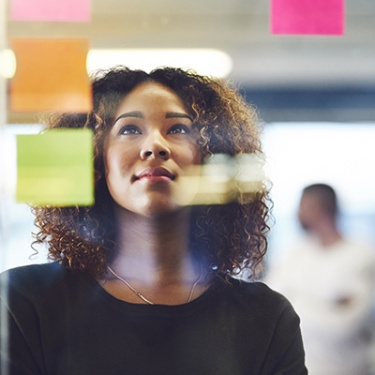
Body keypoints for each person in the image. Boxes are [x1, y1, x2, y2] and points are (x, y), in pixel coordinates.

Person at [0, 66, 307, 374]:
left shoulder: (266, 318)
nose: (155, 145)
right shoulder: (23, 302)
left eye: (178, 129)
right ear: (96, 158)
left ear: (210, 155)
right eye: (130, 129)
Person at [265, 183, 375, 375]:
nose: (297, 214)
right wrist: (326, 305)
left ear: (320, 208)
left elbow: (344, 327)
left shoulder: (362, 256)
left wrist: (293, 303)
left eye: (303, 206)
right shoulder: (295, 255)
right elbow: (269, 310)